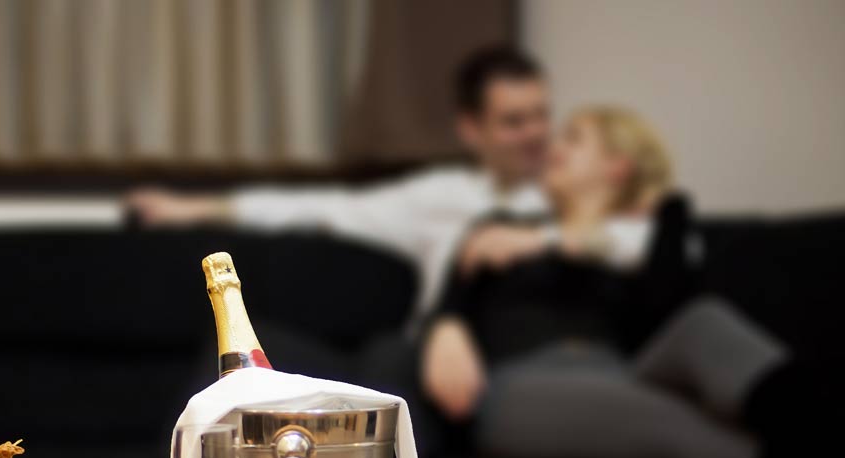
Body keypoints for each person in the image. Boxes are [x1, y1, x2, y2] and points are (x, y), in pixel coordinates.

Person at [418, 105, 837, 458]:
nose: (553, 146)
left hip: (620, 372)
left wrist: (664, 216)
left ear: (617, 166)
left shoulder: (645, 240)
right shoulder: (500, 227)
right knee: (673, 421)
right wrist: (447, 328)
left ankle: (820, 422)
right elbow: (449, 303)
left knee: (704, 322)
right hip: (520, 384)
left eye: (574, 138)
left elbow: (672, 313)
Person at [125, 46, 651, 319]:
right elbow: (322, 208)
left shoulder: (575, 192)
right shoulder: (442, 196)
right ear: (471, 130)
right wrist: (193, 209)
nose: (536, 134)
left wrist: (542, 240)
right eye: (515, 121)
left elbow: (648, 242)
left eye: (541, 116)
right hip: (440, 352)